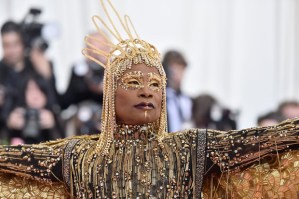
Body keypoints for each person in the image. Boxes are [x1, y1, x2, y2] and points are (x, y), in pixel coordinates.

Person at [0, 1, 298, 198]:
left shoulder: (188, 149)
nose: (147, 91)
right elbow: (16, 160)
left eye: (156, 84)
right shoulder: (79, 157)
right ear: (110, 94)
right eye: (133, 83)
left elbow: (258, 141)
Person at [59, 31, 109, 110]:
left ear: (109, 50)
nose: (97, 56)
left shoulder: (119, 71)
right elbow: (65, 102)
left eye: (101, 50)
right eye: (92, 51)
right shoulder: (79, 72)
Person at [162, 50, 192, 132]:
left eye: (181, 69)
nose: (178, 73)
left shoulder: (187, 100)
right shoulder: (161, 97)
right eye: (175, 68)